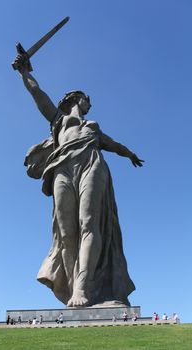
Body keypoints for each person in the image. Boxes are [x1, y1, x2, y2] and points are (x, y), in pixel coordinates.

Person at [13, 53, 144, 308]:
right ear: (76, 98)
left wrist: (130, 154)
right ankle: (74, 287)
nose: (89, 104)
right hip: (62, 168)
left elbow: (112, 144)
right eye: (87, 99)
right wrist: (24, 73)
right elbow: (38, 96)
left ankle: (82, 288)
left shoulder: (93, 127)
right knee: (66, 233)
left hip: (91, 166)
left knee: (89, 224)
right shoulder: (59, 121)